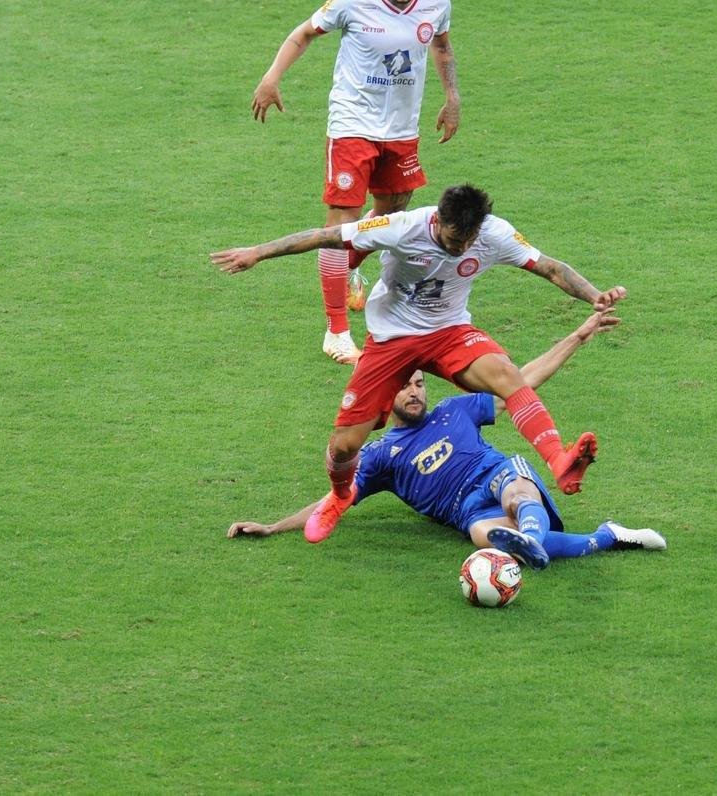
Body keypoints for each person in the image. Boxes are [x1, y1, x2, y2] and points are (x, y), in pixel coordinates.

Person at [211, 183, 627, 544]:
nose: (462, 248)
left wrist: (593, 296)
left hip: (449, 332)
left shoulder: (494, 234)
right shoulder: (404, 226)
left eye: (469, 240)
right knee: (344, 446)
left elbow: (551, 268)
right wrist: (258, 252)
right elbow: (327, 235)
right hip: (392, 340)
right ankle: (339, 497)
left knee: (506, 375)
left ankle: (559, 459)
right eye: (453, 239)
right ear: (438, 220)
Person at [226, 311, 666, 569]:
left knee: (515, 491)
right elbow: (333, 502)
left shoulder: (457, 410)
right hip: (466, 511)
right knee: (486, 536)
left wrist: (576, 336)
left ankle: (531, 534)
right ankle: (605, 537)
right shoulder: (381, 456)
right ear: (385, 392)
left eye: (419, 383)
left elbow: (524, 381)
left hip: (495, 475)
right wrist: (272, 527)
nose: (415, 390)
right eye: (405, 385)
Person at [251, 0, 461, 365]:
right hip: (352, 125)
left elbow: (441, 45)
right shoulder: (351, 3)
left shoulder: (436, 3)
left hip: (401, 128)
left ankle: (346, 267)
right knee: (341, 224)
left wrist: (452, 96)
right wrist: (272, 77)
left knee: (393, 207)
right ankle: (336, 332)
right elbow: (303, 34)